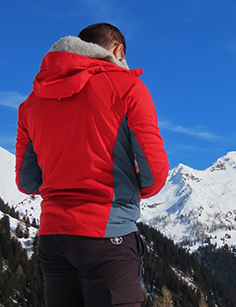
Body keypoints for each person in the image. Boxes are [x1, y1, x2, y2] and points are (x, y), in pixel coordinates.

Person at [15, 23, 169, 307]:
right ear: (118, 50)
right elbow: (155, 172)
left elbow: (27, 181)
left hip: (53, 236)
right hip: (106, 236)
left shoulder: (31, 103)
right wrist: (133, 189)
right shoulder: (128, 87)